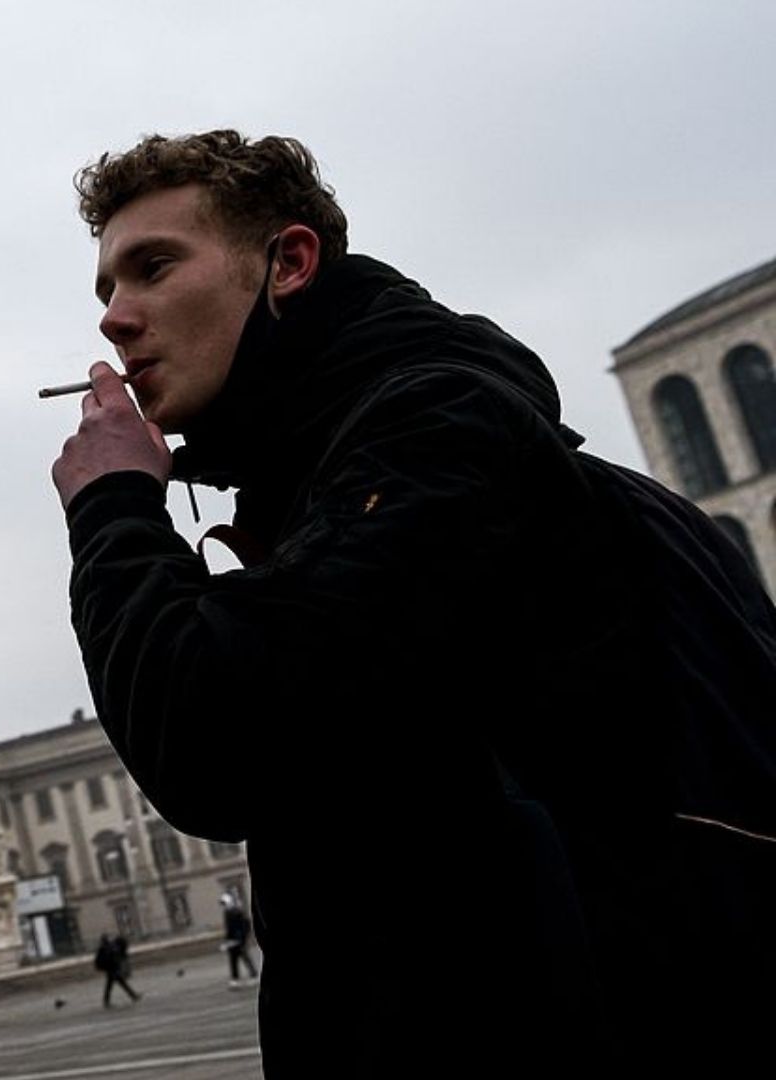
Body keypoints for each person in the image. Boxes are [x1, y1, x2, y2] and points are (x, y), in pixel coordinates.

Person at [53, 129, 776, 1077]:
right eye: (105, 289)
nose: (115, 318)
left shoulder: (438, 430)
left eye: (152, 268)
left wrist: (113, 505)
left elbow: (208, 743)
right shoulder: (331, 470)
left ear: (291, 262)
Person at [218, 892, 257, 986]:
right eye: (222, 904)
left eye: (224, 903)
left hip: (239, 940)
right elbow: (229, 929)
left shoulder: (237, 912)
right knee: (234, 959)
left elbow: (245, 925)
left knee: (243, 958)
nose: (223, 906)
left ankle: (252, 976)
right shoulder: (228, 913)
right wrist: (227, 941)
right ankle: (236, 979)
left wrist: (240, 939)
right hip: (233, 940)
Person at [92, 933, 140, 1007]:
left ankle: (132, 996)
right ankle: (133, 996)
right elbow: (113, 958)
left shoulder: (104, 948)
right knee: (118, 984)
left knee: (113, 985)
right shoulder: (108, 948)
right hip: (112, 970)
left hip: (111, 969)